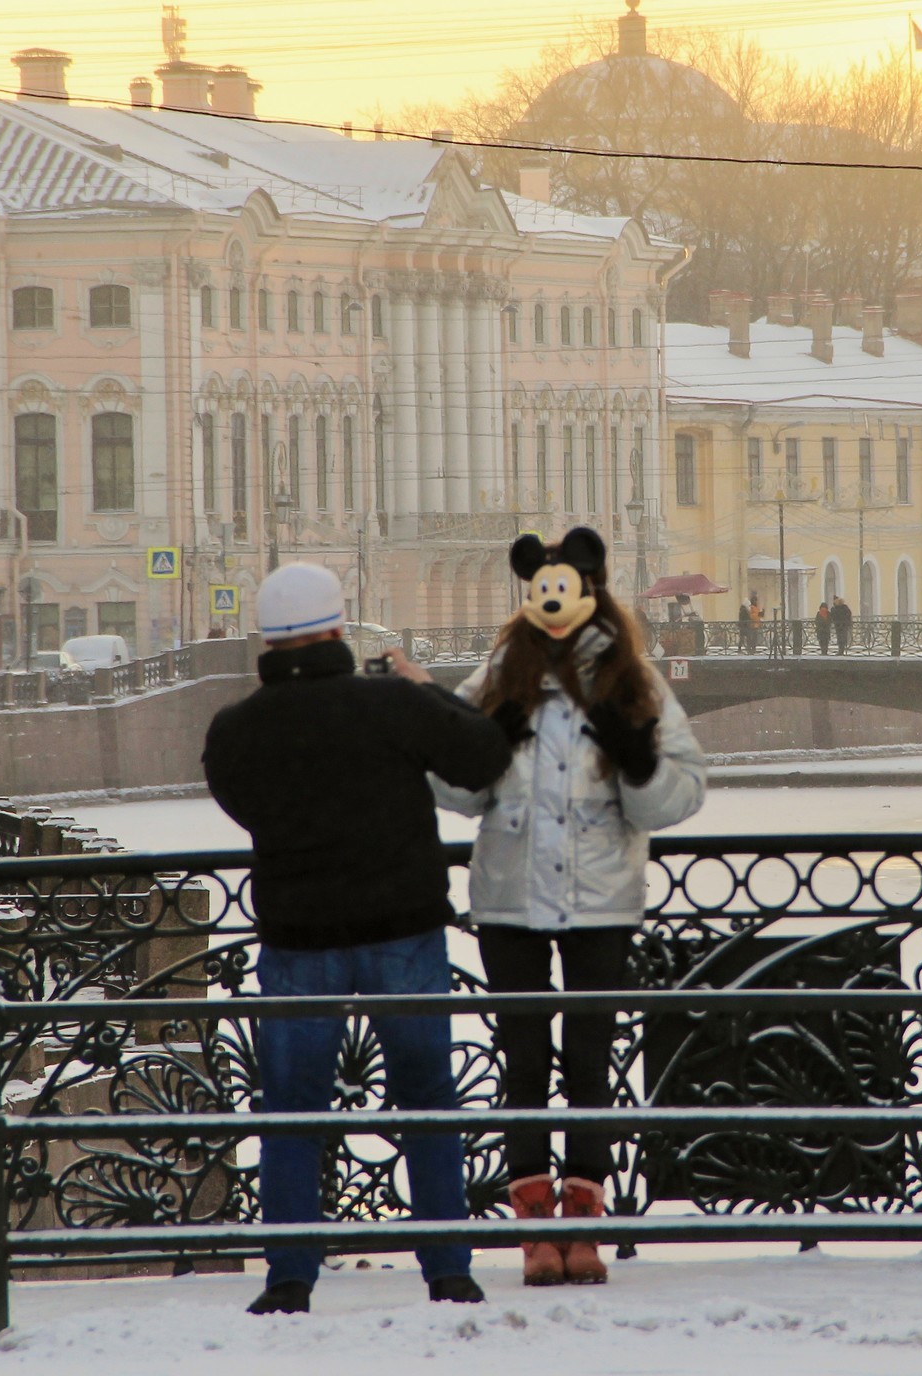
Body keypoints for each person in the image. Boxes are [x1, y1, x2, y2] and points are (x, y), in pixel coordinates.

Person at [201, 562, 514, 1317]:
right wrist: (425, 687)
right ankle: (446, 1267)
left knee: (293, 1110)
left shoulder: (236, 730)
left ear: (265, 644)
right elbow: (485, 757)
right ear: (341, 629)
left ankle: (289, 1276)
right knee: (427, 1099)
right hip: (401, 928)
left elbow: (241, 804)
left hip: (298, 938)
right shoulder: (392, 706)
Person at [433, 528, 707, 1290]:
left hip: (602, 897)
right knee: (522, 1060)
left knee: (589, 1060)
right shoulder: (499, 671)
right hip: (509, 895)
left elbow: (683, 791)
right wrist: (482, 746)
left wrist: (641, 760)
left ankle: (583, 1218)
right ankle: (532, 1227)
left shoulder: (633, 680)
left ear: (593, 591)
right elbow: (453, 790)